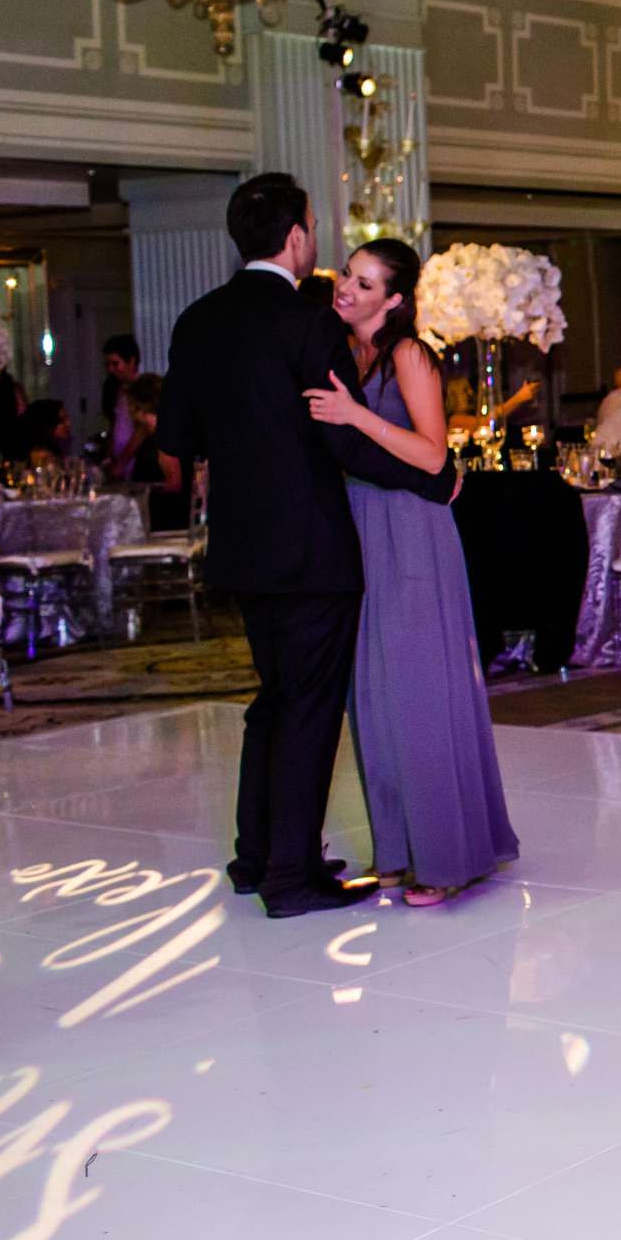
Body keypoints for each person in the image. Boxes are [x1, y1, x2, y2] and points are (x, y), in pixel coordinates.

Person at [154, 174, 459, 917]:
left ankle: (254, 858)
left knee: (272, 700)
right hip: (313, 549)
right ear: (296, 236)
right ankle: (291, 876)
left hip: (239, 547)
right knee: (309, 708)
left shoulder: (196, 321)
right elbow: (342, 440)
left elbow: (175, 447)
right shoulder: (305, 322)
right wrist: (434, 477)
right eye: (314, 228)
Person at [302, 238, 518, 908]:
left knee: (420, 693)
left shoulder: (407, 354)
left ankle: (446, 860)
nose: (348, 289)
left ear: (394, 300)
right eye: (348, 276)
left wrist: (354, 414)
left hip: (412, 533)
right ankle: (396, 851)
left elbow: (432, 456)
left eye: (366, 284)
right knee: (374, 699)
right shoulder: (351, 353)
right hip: (363, 529)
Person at [120, 373, 190, 532]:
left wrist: (142, 489)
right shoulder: (163, 431)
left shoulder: (164, 436)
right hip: (165, 516)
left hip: (167, 520)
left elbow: (174, 483)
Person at [100, 333, 142, 478]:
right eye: (108, 365)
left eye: (115, 363)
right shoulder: (116, 389)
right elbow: (115, 425)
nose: (110, 369)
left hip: (138, 465)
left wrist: (121, 464)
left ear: (131, 361)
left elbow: (141, 432)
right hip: (120, 464)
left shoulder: (143, 389)